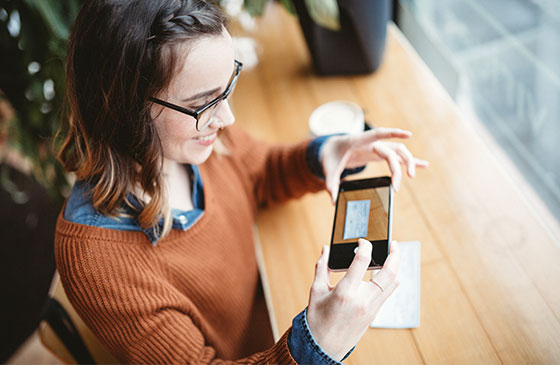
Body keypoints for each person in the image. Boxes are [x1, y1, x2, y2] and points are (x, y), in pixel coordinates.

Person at [55, 0, 428, 363]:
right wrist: (318, 345)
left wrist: (322, 155)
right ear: (123, 108)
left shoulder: (193, 140)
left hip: (270, 307)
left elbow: (260, 171)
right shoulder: (98, 261)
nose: (228, 118)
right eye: (204, 103)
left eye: (228, 84)